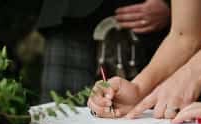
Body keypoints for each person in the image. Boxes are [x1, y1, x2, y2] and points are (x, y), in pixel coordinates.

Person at [39, 0, 170, 103]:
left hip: (146, 29)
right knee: (61, 121)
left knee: (144, 121)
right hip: (69, 18)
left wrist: (171, 5)